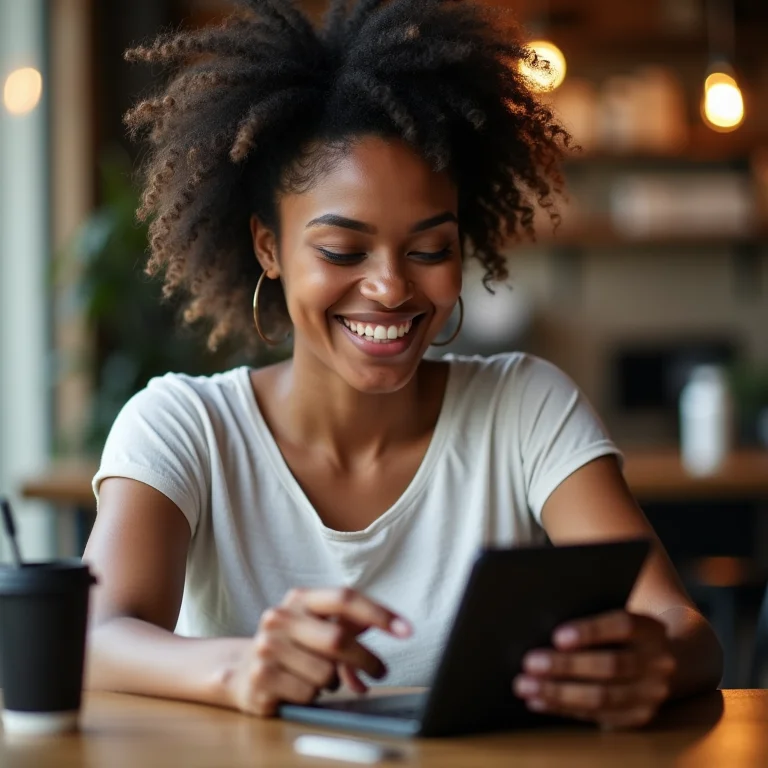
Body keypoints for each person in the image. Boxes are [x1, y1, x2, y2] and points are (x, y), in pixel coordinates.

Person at [84, 0, 722, 730]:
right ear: (268, 248)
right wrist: (238, 666)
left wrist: (651, 661)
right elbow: (95, 637)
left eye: (428, 249)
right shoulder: (184, 428)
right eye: (343, 251)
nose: (391, 287)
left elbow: (684, 627)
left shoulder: (526, 407)